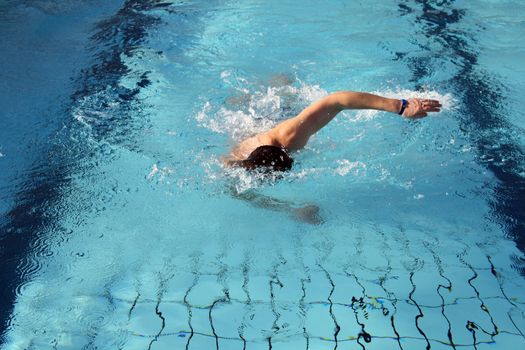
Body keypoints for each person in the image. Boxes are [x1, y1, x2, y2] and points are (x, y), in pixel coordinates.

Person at [225, 91, 441, 171]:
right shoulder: (238, 163)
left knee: (282, 97)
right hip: (249, 134)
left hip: (276, 121)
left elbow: (337, 100)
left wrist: (399, 106)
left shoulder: (289, 136)